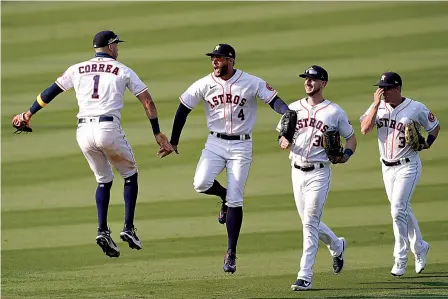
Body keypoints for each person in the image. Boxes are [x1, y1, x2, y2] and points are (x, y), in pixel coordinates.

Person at [11, 30, 174, 258]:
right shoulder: (123, 70)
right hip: (108, 128)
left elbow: (50, 92)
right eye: (116, 45)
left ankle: (102, 230)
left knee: (103, 179)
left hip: (84, 132)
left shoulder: (76, 68)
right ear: (109, 47)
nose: (118, 48)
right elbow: (147, 101)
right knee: (130, 174)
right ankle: (128, 228)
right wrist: (157, 133)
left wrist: (28, 113)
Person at [157, 43, 291, 273]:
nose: (215, 62)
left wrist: (286, 111)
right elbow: (183, 108)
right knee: (200, 183)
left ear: (231, 60)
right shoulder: (205, 83)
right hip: (215, 143)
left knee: (236, 199)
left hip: (241, 145)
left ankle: (231, 253)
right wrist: (174, 141)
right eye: (213, 59)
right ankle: (222, 195)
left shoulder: (251, 81)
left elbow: (274, 100)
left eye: (219, 58)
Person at [277, 65, 357, 291]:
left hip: (319, 173)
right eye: (306, 79)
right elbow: (282, 135)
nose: (308, 82)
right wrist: (283, 141)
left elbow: (351, 139)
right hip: (296, 171)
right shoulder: (293, 108)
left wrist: (346, 156)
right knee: (308, 222)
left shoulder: (334, 111)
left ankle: (305, 275)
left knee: (310, 223)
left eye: (313, 79)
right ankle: (337, 245)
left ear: (323, 83)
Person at [360, 72, 440, 276]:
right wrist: (376, 105)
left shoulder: (416, 108)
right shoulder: (377, 107)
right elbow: (364, 129)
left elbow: (434, 126)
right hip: (386, 168)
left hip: (408, 166)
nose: (382, 92)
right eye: (380, 88)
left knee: (397, 209)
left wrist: (427, 144)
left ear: (397, 88)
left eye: (386, 88)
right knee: (402, 209)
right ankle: (420, 247)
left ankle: (401, 258)